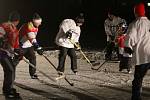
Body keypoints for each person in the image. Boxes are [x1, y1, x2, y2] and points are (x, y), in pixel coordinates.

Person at [124, 3, 150, 100]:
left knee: (138, 80)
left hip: (142, 56)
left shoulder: (135, 24)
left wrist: (127, 47)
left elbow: (130, 36)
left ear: (135, 13)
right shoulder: (149, 23)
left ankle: (136, 98)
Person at [0, 11, 23, 98]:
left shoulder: (15, 30)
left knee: (11, 69)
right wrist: (2, 41)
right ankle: (7, 90)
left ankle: (9, 88)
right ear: (17, 20)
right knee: (10, 70)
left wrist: (18, 52)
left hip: (7, 53)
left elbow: (15, 44)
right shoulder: (6, 25)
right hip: (2, 52)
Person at [19, 13, 44, 79]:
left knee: (32, 57)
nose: (40, 24)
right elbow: (31, 37)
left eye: (40, 22)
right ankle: (9, 72)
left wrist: (37, 46)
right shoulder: (29, 26)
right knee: (16, 60)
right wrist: (37, 47)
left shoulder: (35, 26)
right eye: (39, 23)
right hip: (21, 45)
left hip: (28, 45)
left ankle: (33, 73)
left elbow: (32, 38)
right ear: (35, 22)